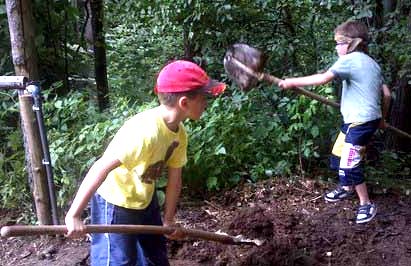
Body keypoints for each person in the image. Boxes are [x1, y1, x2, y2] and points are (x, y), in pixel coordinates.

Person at [64, 60, 226, 265]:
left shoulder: (179, 133)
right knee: (117, 261)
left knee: (155, 258)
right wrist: (74, 215)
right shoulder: (144, 132)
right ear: (184, 102)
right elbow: (100, 167)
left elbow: (175, 179)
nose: (206, 103)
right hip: (116, 202)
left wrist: (168, 220)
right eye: (204, 98)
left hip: (145, 200)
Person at [278, 20, 391, 224]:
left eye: (339, 43)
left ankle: (366, 204)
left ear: (351, 43)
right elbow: (387, 94)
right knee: (338, 154)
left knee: (349, 163)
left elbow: (323, 78)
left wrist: (292, 82)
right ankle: (347, 188)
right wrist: (382, 119)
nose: (337, 47)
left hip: (360, 122)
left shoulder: (350, 59)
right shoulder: (372, 63)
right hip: (362, 120)